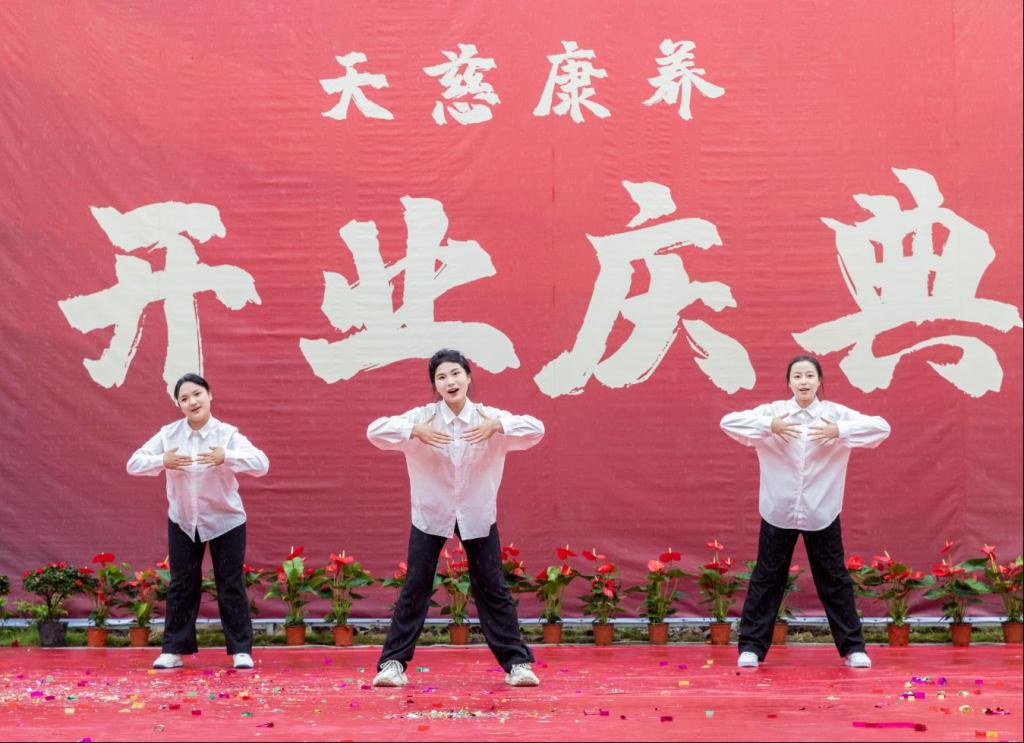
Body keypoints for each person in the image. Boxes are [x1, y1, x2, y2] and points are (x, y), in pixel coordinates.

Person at [367, 349, 544, 687]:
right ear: (435, 385)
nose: (450, 381)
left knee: (492, 586)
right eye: (442, 377)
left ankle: (518, 664)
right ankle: (392, 664)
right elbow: (375, 431)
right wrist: (414, 431)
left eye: (456, 374)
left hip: (477, 513)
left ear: (468, 377)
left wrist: (497, 425)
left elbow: (537, 429)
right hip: (431, 513)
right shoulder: (423, 417)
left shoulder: (487, 417)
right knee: (416, 585)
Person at [720, 355, 890, 669]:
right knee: (767, 578)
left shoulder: (834, 414)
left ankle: (853, 648)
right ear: (789, 382)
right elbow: (728, 422)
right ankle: (752, 648)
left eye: (809, 375)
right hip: (778, 510)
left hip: (821, 510)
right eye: (797, 376)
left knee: (834, 580)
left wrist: (839, 431)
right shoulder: (774, 412)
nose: (803, 382)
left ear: (819, 381)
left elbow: (881, 428)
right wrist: (769, 426)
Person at [127, 373, 269, 670]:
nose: (192, 402)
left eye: (197, 394)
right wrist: (161, 461)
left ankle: (241, 651)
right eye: (184, 398)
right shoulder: (169, 435)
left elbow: (261, 464)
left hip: (225, 519)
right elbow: (133, 464)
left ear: (209, 395)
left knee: (230, 583)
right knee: (182, 583)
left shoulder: (226, 434)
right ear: (179, 405)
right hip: (183, 520)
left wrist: (226, 456)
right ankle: (173, 650)